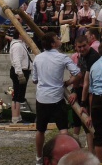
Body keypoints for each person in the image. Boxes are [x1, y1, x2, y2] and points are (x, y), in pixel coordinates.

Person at [32, 32, 82, 165]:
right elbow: (77, 73)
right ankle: (64, 159)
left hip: (42, 97)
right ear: (53, 44)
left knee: (40, 130)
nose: (60, 40)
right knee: (63, 130)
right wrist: (68, 82)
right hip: (57, 97)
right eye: (57, 39)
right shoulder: (62, 58)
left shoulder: (38, 58)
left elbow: (34, 80)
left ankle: (38, 158)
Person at [8, 27, 32, 124]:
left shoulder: (21, 44)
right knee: (17, 95)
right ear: (20, 35)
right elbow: (16, 60)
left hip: (23, 71)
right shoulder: (17, 46)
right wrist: (20, 74)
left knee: (20, 95)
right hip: (19, 71)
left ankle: (18, 116)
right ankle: (15, 118)